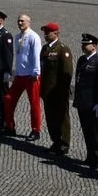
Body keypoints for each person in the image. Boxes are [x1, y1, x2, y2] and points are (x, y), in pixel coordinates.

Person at [73, 33, 98, 169]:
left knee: (97, 132)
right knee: (87, 131)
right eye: (82, 44)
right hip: (83, 102)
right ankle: (90, 156)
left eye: (86, 44)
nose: (83, 46)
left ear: (94, 46)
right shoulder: (82, 60)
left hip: (94, 104)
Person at [3, 14, 42, 139]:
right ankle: (10, 127)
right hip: (20, 75)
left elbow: (37, 55)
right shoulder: (17, 36)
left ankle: (35, 130)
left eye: (22, 21)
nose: (20, 23)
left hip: (31, 76)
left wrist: (36, 72)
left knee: (34, 104)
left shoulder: (33, 37)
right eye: (18, 21)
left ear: (28, 22)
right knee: (9, 99)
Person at [39, 22, 73, 155]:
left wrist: (62, 91)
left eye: (48, 33)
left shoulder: (63, 49)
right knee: (50, 118)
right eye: (45, 33)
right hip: (47, 91)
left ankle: (64, 144)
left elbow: (67, 73)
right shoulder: (45, 49)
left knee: (62, 118)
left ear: (56, 33)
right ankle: (56, 141)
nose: (45, 35)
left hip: (58, 92)